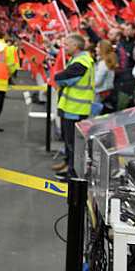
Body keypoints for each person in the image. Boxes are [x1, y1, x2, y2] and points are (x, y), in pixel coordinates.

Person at [53, 33, 95, 179]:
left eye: (67, 44)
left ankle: (73, 174)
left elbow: (65, 77)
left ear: (75, 46)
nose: (64, 47)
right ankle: (67, 164)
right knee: (68, 141)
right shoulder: (78, 59)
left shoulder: (82, 62)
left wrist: (57, 76)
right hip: (70, 107)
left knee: (73, 144)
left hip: (76, 109)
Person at [94, 39, 117, 114]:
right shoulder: (107, 61)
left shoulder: (103, 64)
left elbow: (97, 81)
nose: (95, 49)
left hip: (100, 93)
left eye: (98, 47)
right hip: (104, 92)